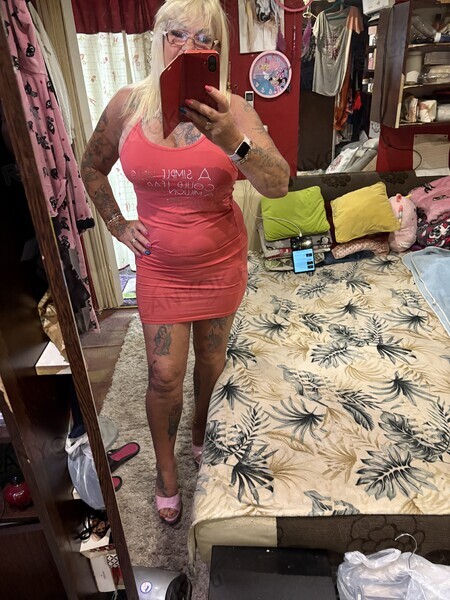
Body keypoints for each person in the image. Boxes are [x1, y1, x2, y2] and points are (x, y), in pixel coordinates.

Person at [81, 0, 290, 525]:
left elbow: (279, 185)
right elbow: (91, 168)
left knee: (211, 363)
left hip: (220, 264)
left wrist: (234, 143)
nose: (187, 47)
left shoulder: (235, 112)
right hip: (160, 269)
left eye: (203, 39)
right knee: (163, 374)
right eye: (176, 34)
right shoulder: (127, 106)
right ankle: (166, 469)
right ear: (156, 39)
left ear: (217, 49)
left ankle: (200, 434)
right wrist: (117, 224)